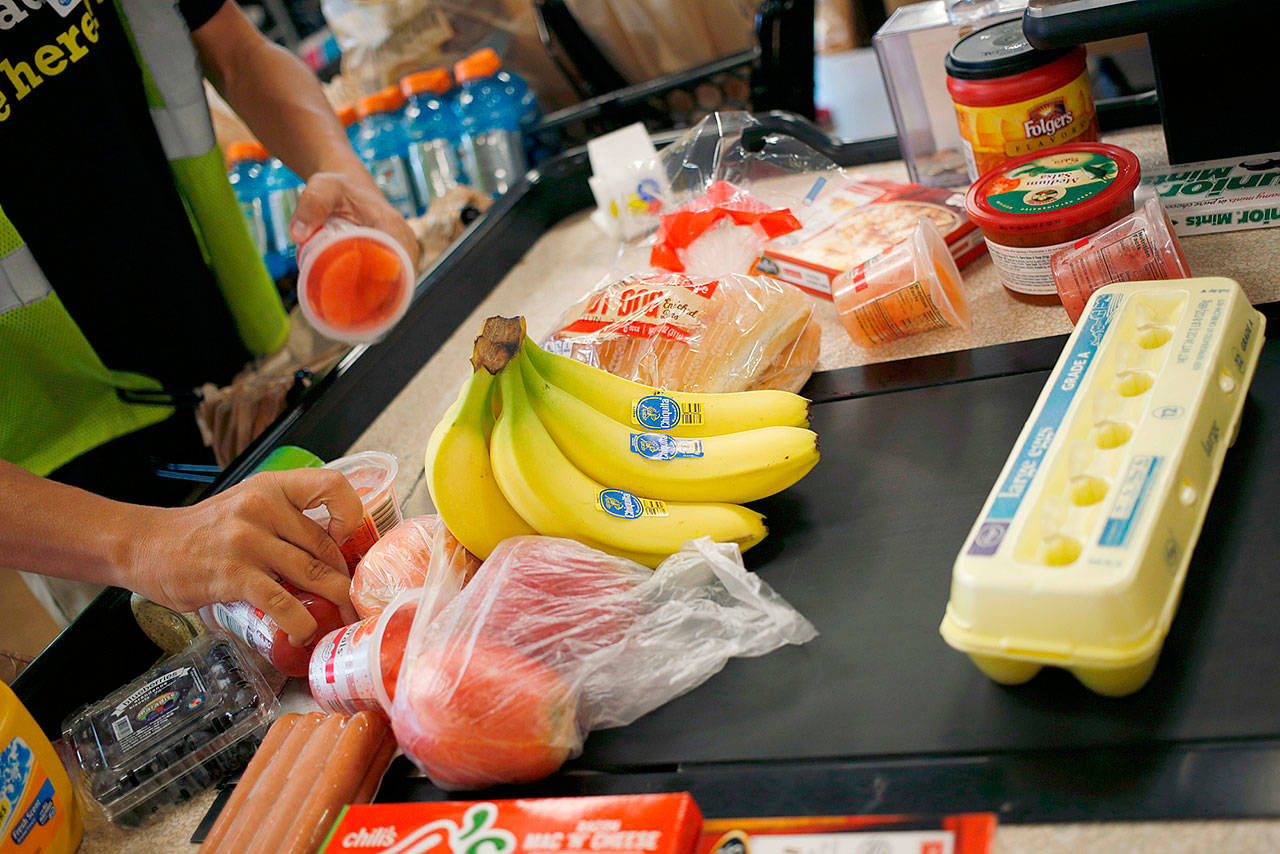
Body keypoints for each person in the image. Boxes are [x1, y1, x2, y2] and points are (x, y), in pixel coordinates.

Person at [0, 0, 417, 634]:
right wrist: (141, 546)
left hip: (243, 381)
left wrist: (341, 170)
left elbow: (238, 49)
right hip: (73, 504)